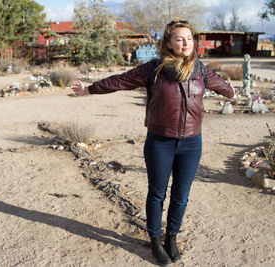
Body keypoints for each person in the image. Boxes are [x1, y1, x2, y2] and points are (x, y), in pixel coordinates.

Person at [71, 18, 234, 266]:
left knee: (181, 195)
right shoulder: (154, 69)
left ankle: (172, 238)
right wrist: (89, 89)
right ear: (168, 43)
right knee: (157, 194)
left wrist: (231, 91)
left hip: (191, 143)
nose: (185, 43)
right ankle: (156, 241)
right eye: (179, 38)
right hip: (160, 142)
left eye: (189, 38)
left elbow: (223, 86)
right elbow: (120, 81)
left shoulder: (201, 70)